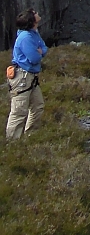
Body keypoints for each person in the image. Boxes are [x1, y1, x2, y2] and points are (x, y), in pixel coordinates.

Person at [6, 8, 47, 140]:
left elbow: (44, 48)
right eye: (35, 13)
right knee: (19, 111)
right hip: (22, 77)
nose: (38, 14)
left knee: (37, 106)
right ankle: (13, 143)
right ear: (32, 20)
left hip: (31, 77)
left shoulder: (33, 33)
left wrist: (41, 51)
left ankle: (31, 136)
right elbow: (34, 57)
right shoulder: (25, 37)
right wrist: (39, 53)